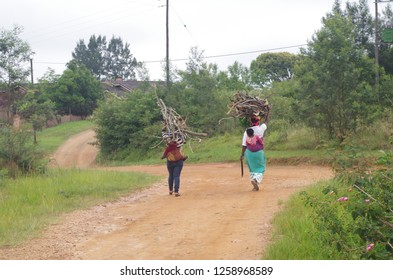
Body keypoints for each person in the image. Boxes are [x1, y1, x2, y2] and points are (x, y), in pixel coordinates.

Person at [240, 112, 269, 191]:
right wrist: (268, 112)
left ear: (250, 122)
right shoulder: (261, 128)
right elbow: (266, 121)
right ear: (258, 121)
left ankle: (254, 184)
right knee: (261, 168)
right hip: (258, 152)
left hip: (249, 153)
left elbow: (244, 145)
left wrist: (242, 155)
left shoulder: (247, 131)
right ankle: (255, 180)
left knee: (252, 168)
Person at [161, 121, 187, 197]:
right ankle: (176, 191)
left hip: (170, 160)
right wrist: (182, 122)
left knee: (171, 175)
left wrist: (164, 125)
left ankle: (170, 190)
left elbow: (163, 131)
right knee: (176, 176)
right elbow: (184, 133)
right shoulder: (180, 139)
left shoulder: (167, 139)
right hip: (179, 161)